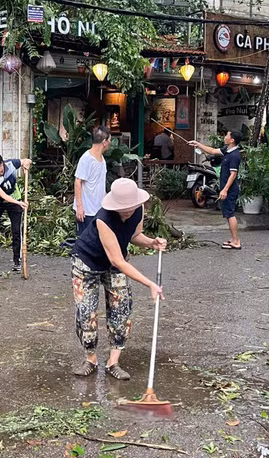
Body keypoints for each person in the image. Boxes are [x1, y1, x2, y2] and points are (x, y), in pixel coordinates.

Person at [71, 178, 167, 380]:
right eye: (123, 207)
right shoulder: (103, 220)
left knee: (121, 308)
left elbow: (134, 235)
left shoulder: (138, 209)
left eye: (131, 206)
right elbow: (118, 260)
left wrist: (151, 243)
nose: (128, 211)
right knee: (86, 312)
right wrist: (150, 283)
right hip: (87, 263)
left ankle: (113, 362)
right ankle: (91, 359)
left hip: (115, 263)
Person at [189, 130, 243, 249]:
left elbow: (233, 175)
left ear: (232, 140)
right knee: (228, 214)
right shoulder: (227, 150)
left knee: (230, 214)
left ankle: (236, 241)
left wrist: (225, 190)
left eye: (227, 136)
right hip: (226, 188)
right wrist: (198, 144)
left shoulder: (234, 155)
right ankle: (233, 238)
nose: (225, 137)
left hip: (230, 189)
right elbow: (212, 151)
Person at [74, 126, 111, 236]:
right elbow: (77, 182)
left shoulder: (102, 159)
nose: (110, 143)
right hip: (87, 211)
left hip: (98, 209)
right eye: (109, 140)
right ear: (104, 142)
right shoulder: (86, 159)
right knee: (86, 242)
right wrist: (79, 207)